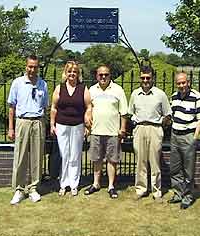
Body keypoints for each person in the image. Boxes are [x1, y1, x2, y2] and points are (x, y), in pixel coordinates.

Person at [8, 55, 49, 205]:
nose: (32, 69)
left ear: (38, 68)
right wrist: (11, 128)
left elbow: (45, 106)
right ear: (26, 66)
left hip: (38, 122)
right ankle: (19, 189)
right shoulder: (17, 83)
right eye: (30, 66)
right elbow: (11, 107)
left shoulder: (43, 84)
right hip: (23, 122)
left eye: (35, 67)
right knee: (20, 157)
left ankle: (33, 188)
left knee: (37, 157)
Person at [128, 65, 172, 201]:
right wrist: (135, 123)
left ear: (153, 78)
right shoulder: (135, 94)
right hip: (140, 129)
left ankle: (156, 191)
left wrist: (161, 127)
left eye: (148, 78)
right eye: (143, 78)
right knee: (140, 161)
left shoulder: (160, 94)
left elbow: (168, 114)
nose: (145, 80)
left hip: (155, 129)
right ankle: (141, 189)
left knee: (155, 162)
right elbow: (130, 113)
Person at [84, 65, 127, 199]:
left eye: (106, 74)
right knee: (96, 159)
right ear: (96, 76)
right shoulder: (91, 90)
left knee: (112, 160)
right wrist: (87, 126)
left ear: (110, 75)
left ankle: (111, 186)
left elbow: (124, 112)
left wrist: (122, 129)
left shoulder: (118, 90)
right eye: (100, 74)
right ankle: (96, 184)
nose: (103, 77)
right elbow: (87, 109)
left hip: (113, 132)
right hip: (96, 131)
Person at [50, 61, 92, 197]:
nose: (72, 74)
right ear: (65, 73)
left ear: (78, 74)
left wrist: (87, 123)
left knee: (75, 155)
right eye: (69, 71)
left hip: (78, 126)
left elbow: (89, 106)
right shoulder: (59, 88)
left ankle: (74, 184)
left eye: (74, 72)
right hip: (62, 125)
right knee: (64, 155)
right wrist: (52, 124)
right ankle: (63, 184)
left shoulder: (83, 88)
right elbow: (53, 108)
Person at [168, 72, 200, 209]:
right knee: (175, 168)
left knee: (188, 170)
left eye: (183, 83)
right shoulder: (173, 96)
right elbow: (171, 116)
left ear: (188, 82)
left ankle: (188, 196)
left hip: (188, 136)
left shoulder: (197, 97)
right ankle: (178, 193)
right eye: (179, 83)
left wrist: (194, 138)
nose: (181, 85)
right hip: (175, 136)